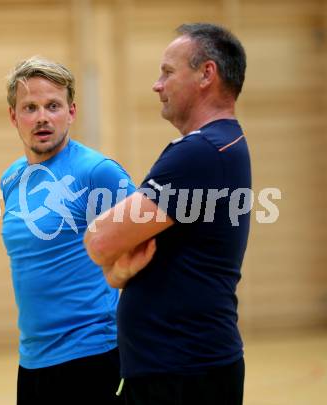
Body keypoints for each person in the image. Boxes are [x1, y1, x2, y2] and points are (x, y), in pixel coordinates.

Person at [84, 23, 251, 405]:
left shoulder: (203, 152)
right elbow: (117, 258)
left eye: (168, 72)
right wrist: (117, 269)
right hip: (179, 369)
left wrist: (110, 258)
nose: (157, 85)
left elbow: (100, 241)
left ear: (206, 73)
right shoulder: (217, 146)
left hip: (182, 375)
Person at [0, 56, 135, 404]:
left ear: (71, 112)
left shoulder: (98, 173)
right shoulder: (11, 179)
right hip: (32, 361)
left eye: (53, 106)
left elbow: (150, 247)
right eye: (30, 107)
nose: (42, 116)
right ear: (14, 117)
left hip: (91, 357)